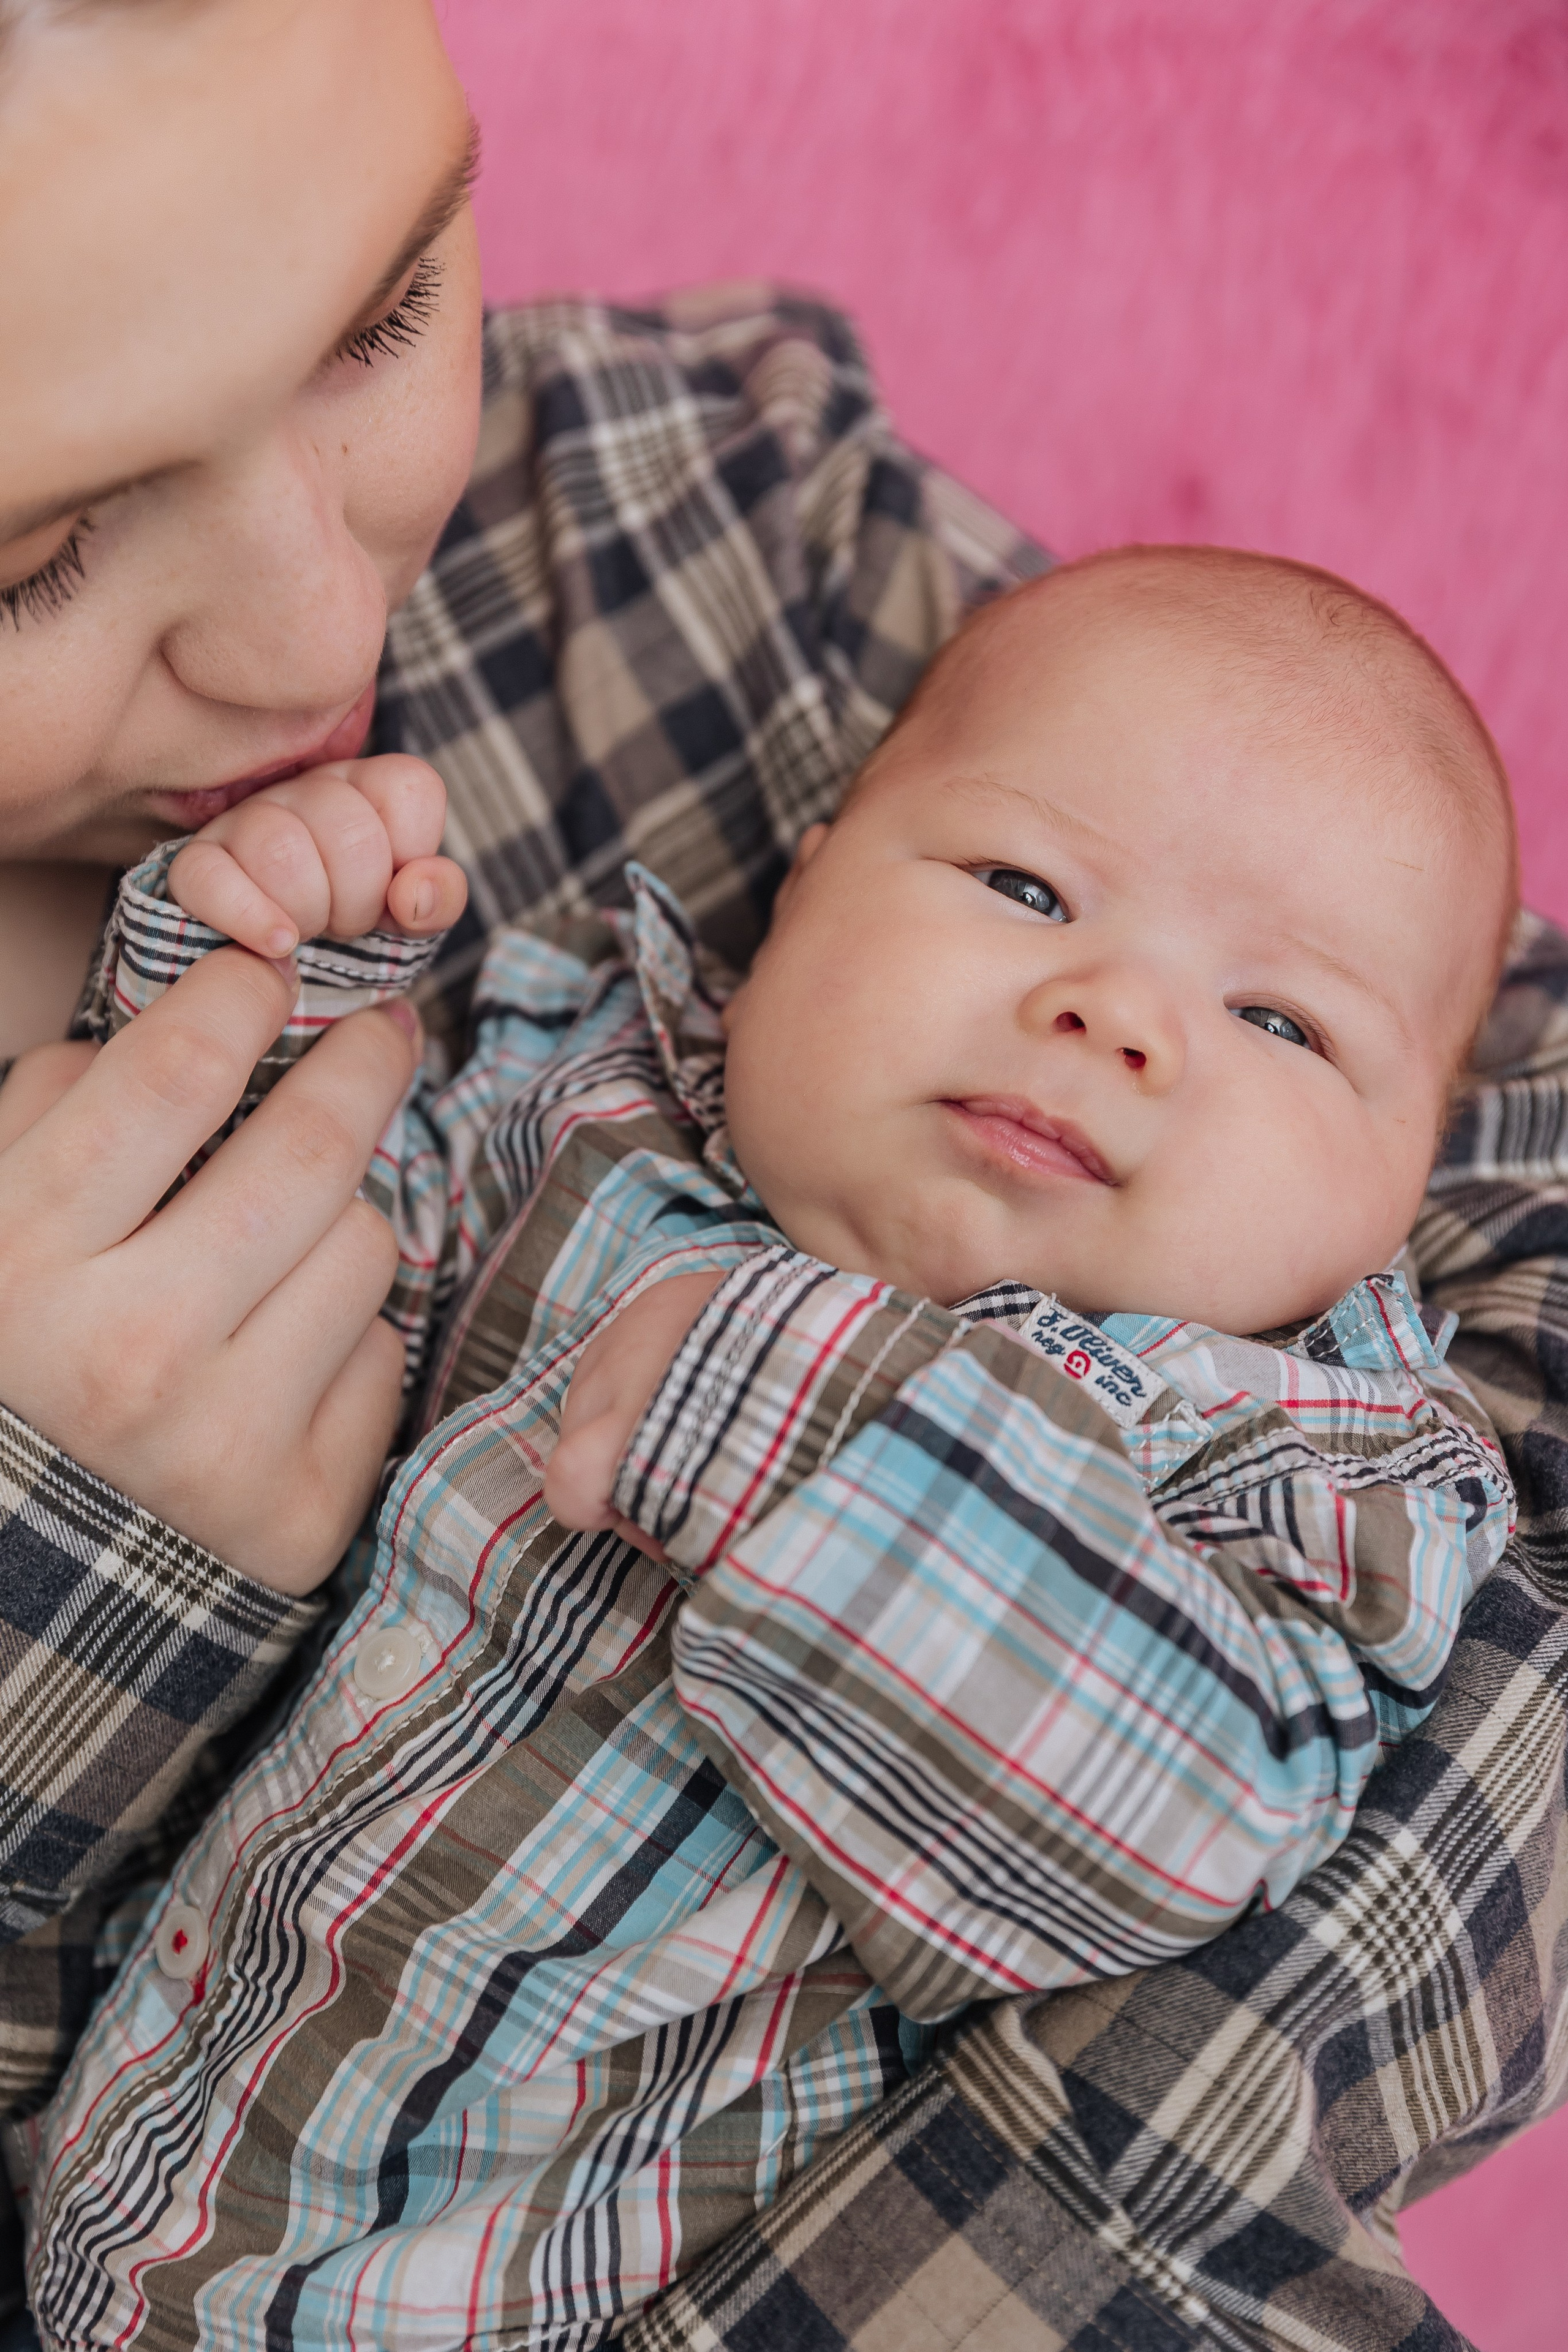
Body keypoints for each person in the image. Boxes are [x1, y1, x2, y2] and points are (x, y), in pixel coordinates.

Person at [0, 1, 1564, 2346]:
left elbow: (1189, 1830)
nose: (335, 632)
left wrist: (767, 1395)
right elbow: (401, 1205)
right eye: (27, 568)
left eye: (390, 309)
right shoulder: (617, 1083)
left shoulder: (703, 523)